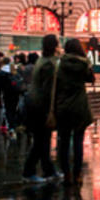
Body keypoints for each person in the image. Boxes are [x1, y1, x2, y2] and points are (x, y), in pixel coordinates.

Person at [56, 39, 95, 186]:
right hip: (79, 106)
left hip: (63, 106)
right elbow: (91, 79)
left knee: (64, 142)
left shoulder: (59, 64)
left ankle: (66, 174)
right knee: (78, 142)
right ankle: (77, 174)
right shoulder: (84, 64)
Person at [22, 35, 61, 183]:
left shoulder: (41, 60)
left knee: (43, 141)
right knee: (40, 141)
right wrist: (50, 110)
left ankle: (48, 170)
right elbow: (48, 90)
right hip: (41, 107)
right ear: (55, 46)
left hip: (34, 104)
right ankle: (28, 172)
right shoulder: (50, 64)